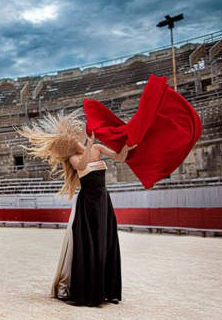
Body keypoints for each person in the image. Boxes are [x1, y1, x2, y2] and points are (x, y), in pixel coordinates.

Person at [17, 111, 136, 306]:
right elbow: (82, 163)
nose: (76, 141)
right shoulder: (74, 158)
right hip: (88, 204)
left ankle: (106, 289)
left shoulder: (97, 147)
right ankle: (91, 291)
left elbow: (120, 157)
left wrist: (127, 146)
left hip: (104, 201)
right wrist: (89, 143)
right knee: (91, 244)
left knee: (105, 242)